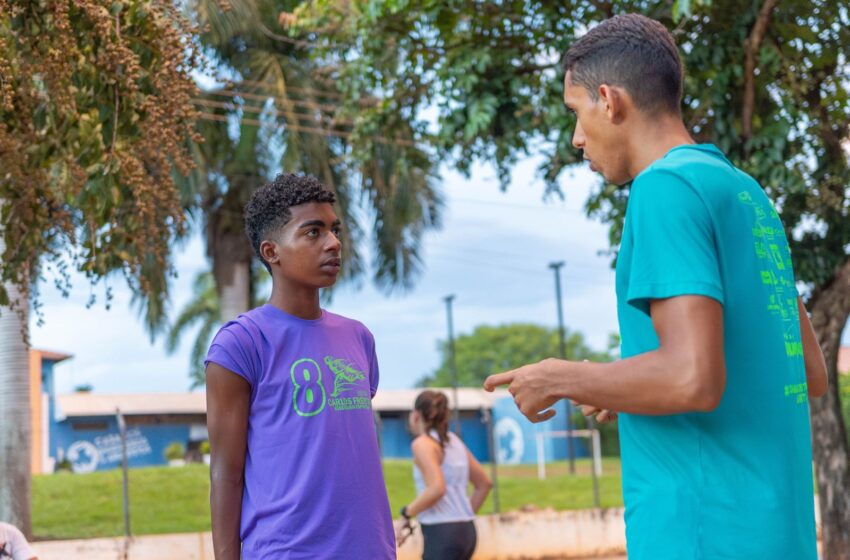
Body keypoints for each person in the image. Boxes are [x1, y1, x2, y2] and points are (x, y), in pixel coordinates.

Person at [484, 13, 828, 560]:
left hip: (701, 534)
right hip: (776, 533)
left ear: (609, 100)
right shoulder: (746, 193)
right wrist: (622, 388)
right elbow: (806, 372)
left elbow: (693, 379)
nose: (577, 138)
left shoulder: (663, 189)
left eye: (576, 113)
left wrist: (562, 377)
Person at [204, 174, 395, 559]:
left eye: (334, 230)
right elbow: (226, 475)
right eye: (313, 232)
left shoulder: (359, 338)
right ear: (272, 252)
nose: (333, 243)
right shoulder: (241, 344)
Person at [397, 390, 491, 560]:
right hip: (467, 531)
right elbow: (484, 484)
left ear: (416, 415)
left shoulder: (422, 443)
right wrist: (461, 516)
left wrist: (406, 513)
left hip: (441, 532)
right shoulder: (454, 441)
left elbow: (437, 488)